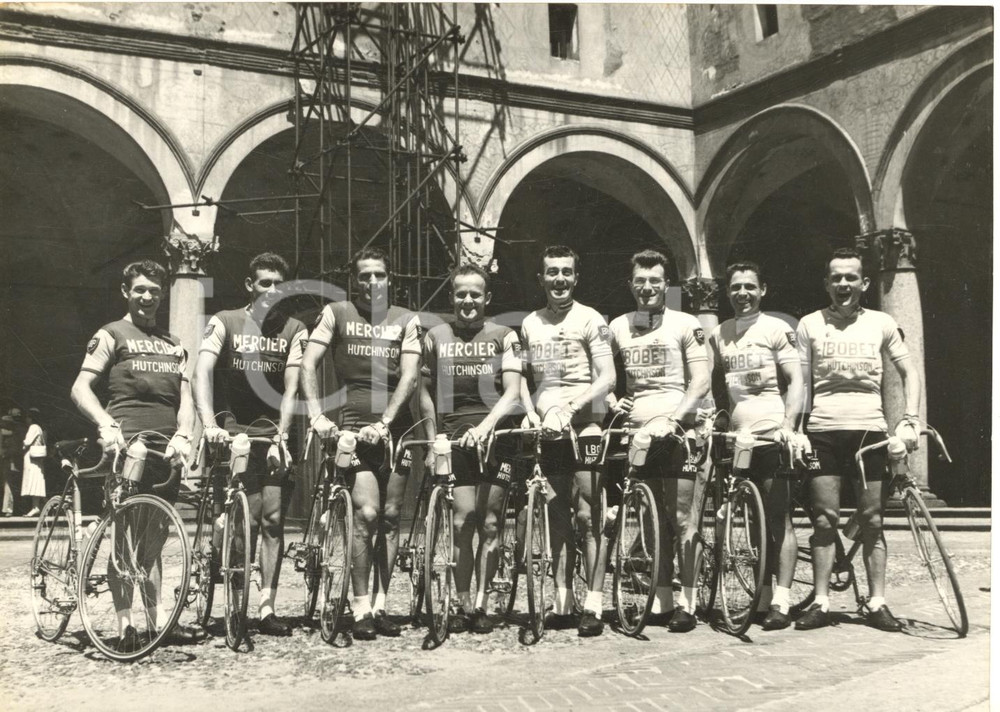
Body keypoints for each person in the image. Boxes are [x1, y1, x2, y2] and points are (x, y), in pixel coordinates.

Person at [70, 259, 197, 646]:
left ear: (163, 294)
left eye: (154, 291)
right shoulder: (111, 334)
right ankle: (126, 624)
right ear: (127, 291)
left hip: (165, 449)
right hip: (127, 446)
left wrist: (185, 436)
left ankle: (158, 622)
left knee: (154, 537)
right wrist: (105, 425)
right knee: (125, 536)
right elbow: (80, 389)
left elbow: (186, 398)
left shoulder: (173, 343)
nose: (147, 297)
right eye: (140, 289)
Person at [794, 247, 920, 632]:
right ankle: (820, 602)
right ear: (826, 283)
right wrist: (796, 429)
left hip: (870, 431)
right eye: (836, 278)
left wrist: (910, 420)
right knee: (824, 520)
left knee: (873, 519)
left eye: (851, 277)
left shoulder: (882, 322)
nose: (843, 284)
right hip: (823, 431)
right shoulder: (809, 324)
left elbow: (908, 372)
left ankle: (877, 602)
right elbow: (801, 383)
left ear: (864, 283)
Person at [301, 247, 422, 640]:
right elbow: (307, 363)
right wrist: (317, 416)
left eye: (380, 275)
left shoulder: (407, 319)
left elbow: (408, 377)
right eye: (365, 276)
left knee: (389, 518)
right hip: (353, 428)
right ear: (355, 280)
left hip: (396, 430)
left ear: (390, 279)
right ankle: (359, 608)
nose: (372, 283)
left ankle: (383, 605)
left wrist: (387, 422)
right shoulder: (336, 313)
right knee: (366, 514)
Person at [193, 252, 307, 637]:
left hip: (273, 434)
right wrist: (209, 424)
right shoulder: (225, 321)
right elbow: (202, 371)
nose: (272, 290)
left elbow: (292, 388)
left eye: (279, 284)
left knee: (273, 521)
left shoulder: (295, 330)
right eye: (264, 283)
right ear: (250, 285)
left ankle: (267, 607)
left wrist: (282, 436)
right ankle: (236, 599)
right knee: (246, 520)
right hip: (232, 432)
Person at [607, 249, 710, 632]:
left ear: (666, 284)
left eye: (655, 280)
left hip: (678, 430)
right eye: (640, 280)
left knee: (683, 518)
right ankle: (662, 598)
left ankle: (689, 601)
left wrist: (674, 418)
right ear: (630, 284)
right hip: (638, 433)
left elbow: (700, 380)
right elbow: (599, 372)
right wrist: (611, 399)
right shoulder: (617, 326)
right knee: (651, 519)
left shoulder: (686, 323)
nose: (647, 287)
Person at [418, 264, 522, 634]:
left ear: (487, 298)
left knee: (490, 522)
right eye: (461, 293)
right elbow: (425, 394)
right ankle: (462, 602)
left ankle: (482, 603)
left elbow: (512, 392)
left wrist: (486, 427)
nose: (467, 300)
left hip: (495, 436)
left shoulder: (504, 335)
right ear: (452, 296)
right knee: (463, 520)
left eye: (475, 294)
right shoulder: (436, 336)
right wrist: (433, 441)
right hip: (454, 437)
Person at [519, 245, 616, 637]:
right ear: (541, 279)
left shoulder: (591, 319)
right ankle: (563, 599)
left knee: (587, 515)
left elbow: (607, 376)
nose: (559, 279)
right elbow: (523, 381)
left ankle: (593, 602)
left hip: (584, 426)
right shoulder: (529, 323)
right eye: (551, 272)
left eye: (566, 272)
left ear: (576, 277)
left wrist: (572, 408)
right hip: (548, 430)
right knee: (556, 516)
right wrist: (530, 412)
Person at [707, 261, 804, 630]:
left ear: (763, 290)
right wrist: (716, 418)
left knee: (778, 517)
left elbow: (796, 381)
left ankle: (782, 600)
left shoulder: (777, 328)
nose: (742, 294)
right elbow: (718, 385)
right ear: (727, 292)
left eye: (750, 286)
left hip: (770, 431)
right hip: (739, 436)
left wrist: (788, 425)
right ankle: (762, 597)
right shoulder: (720, 333)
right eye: (735, 288)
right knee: (753, 521)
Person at [21, 407, 47, 516]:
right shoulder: (40, 428)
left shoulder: (33, 427)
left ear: (31, 418)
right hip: (36, 459)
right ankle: (38, 506)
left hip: (32, 459)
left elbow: (26, 442)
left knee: (34, 481)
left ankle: (36, 507)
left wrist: (22, 444)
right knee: (36, 481)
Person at [1, 414, 15, 516]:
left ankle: (7, 509)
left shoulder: (9, 434)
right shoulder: (8, 433)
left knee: (7, 484)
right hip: (6, 460)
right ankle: (7, 508)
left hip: (6, 461)